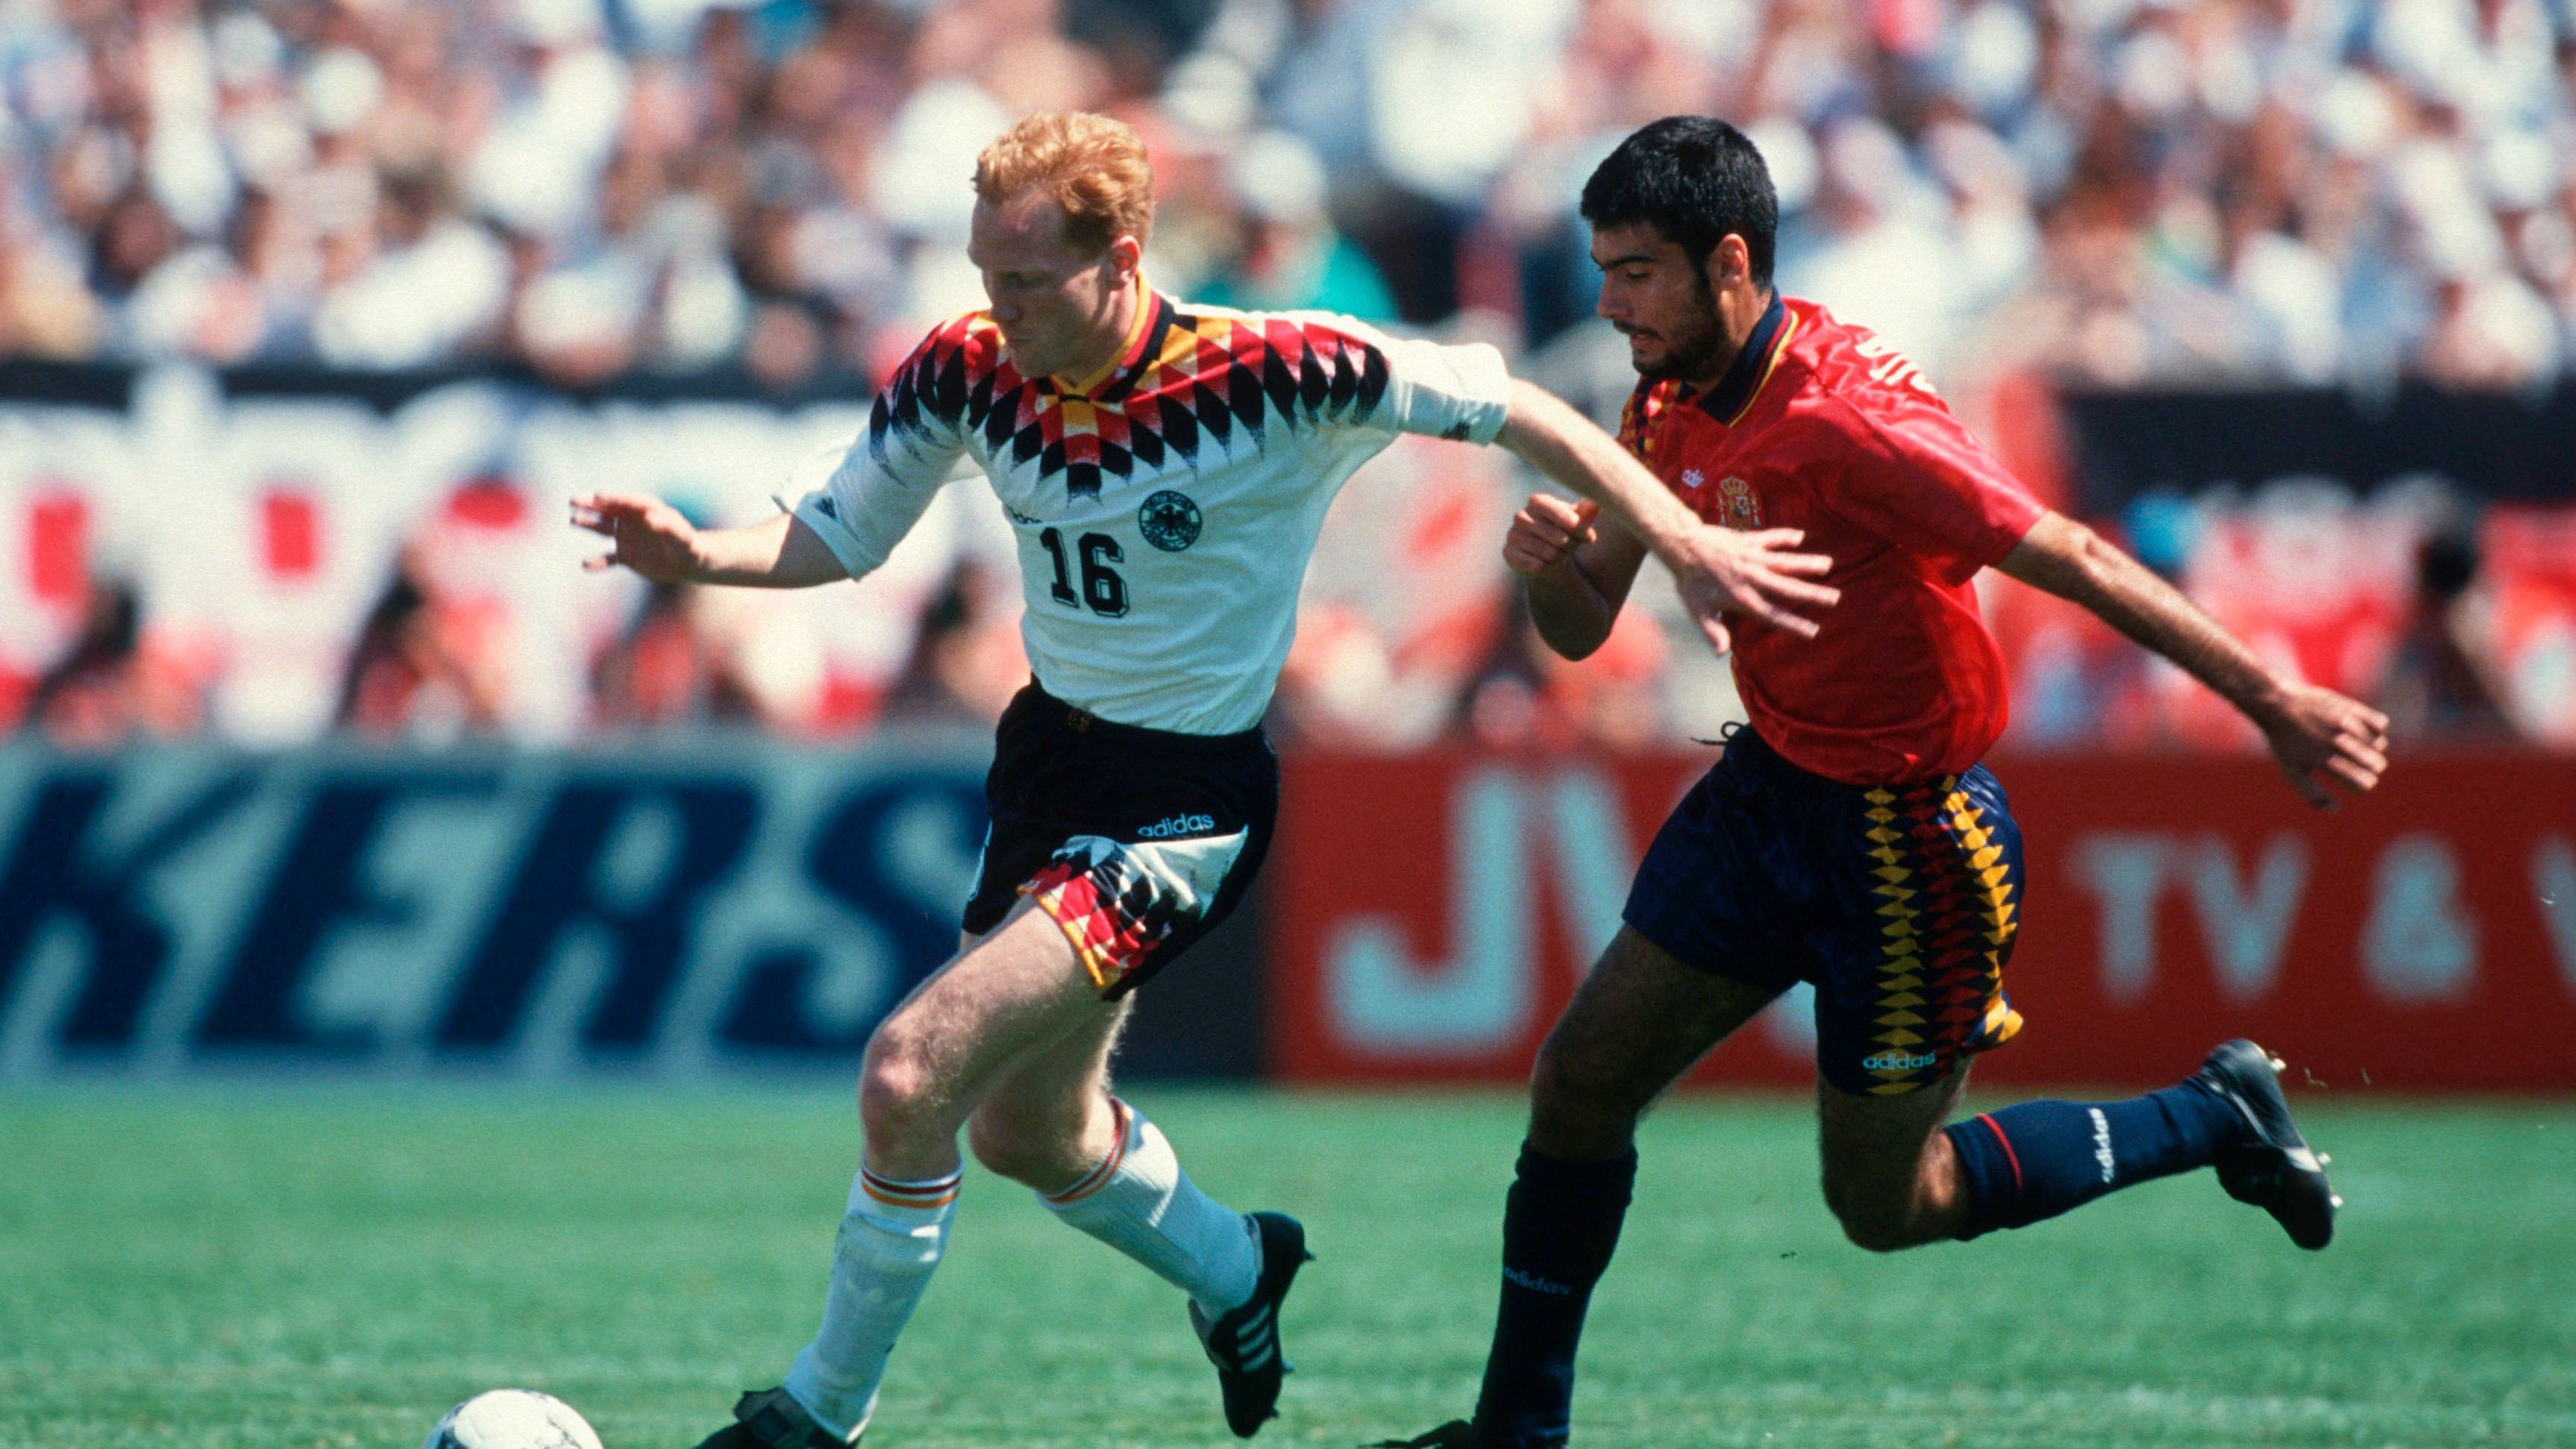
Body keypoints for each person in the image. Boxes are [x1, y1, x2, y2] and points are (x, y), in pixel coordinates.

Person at [569, 112, 1839, 1448]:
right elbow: (835, 533)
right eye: (980, 274)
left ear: (1119, 263)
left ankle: (818, 1413)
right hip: (1050, 766)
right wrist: (694, 553)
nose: (991, 309)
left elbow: (1510, 401)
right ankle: (1239, 1266)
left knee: (907, 1071)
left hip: (1186, 804)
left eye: (1022, 280)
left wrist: (1686, 535)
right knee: (1024, 1131)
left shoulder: (1272, 371)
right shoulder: (965, 365)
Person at [1380, 116, 2392, 1449]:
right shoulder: (1663, 394)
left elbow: (2071, 558)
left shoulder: (1854, 415)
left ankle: (2211, 1113)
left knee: (1884, 1205)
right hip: (1767, 794)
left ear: (1726, 260)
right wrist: (1546, 572)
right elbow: (1582, 627)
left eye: (1633, 273)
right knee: (1576, 1082)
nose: (1609, 301)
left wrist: (2274, 698)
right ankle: (1516, 1431)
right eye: (1601, 270)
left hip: (1910, 841)